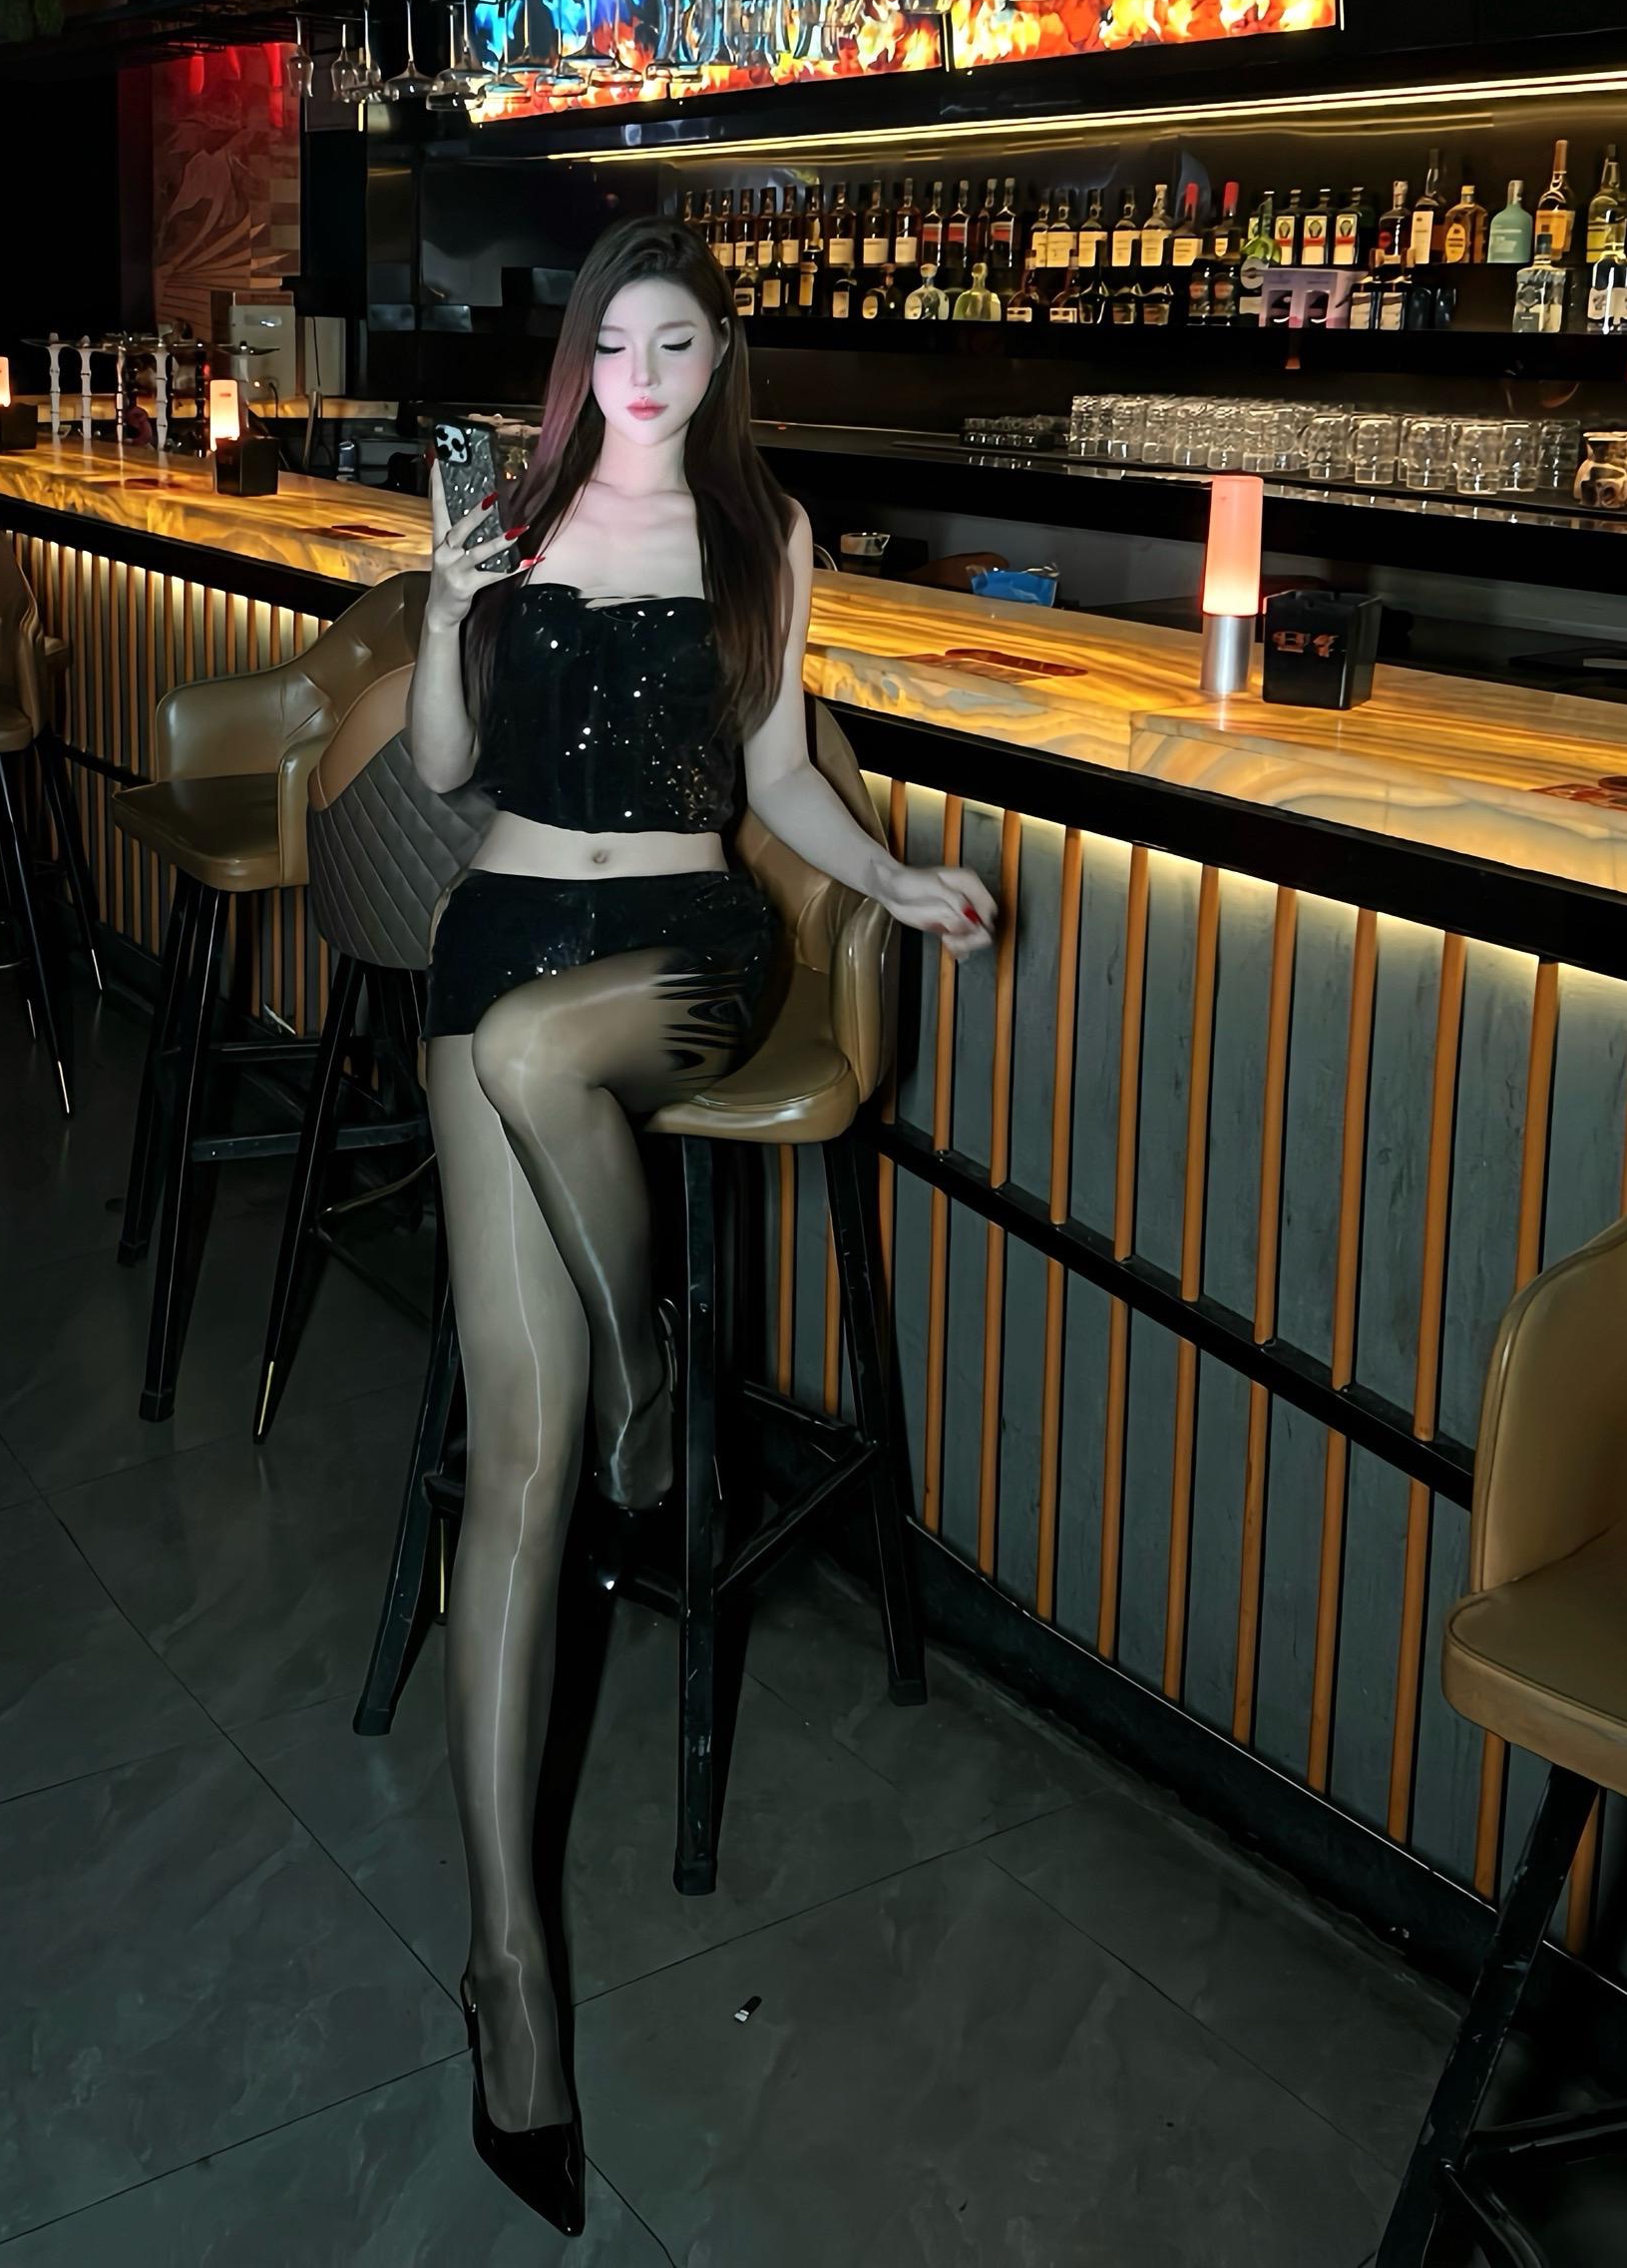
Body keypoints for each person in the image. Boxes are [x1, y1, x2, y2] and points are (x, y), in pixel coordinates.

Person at [407, 215, 998, 2232]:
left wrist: (889, 880)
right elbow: (444, 770)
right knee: (520, 1464)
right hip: (501, 920)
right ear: (579, 360)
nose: (645, 373)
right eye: (616, 342)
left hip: (679, 948)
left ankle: (653, 1371)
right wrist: (444, 608)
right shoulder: (511, 517)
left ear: (720, 361)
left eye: (679, 342)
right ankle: (506, 1966)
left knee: (529, 1056)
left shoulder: (765, 536)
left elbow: (774, 774)